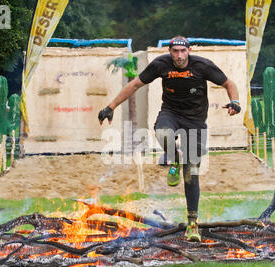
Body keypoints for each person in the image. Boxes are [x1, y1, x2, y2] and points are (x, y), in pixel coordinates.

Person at [98, 36, 240, 242]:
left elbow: (229, 83)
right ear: (170, 51)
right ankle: (173, 158)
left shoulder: (202, 65)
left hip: (196, 120)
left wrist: (234, 101)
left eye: (183, 51)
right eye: (175, 51)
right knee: (163, 133)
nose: (179, 56)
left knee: (191, 171)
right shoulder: (160, 64)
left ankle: (192, 223)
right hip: (171, 113)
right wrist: (110, 106)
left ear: (189, 51)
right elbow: (136, 84)